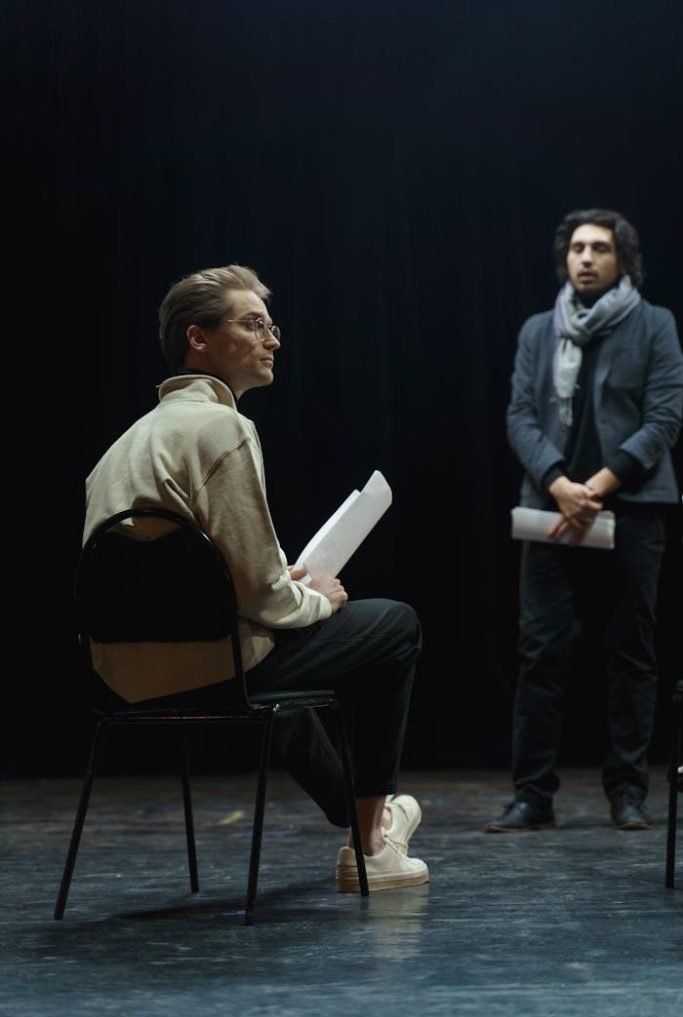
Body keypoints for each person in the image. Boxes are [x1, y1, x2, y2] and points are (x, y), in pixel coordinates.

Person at [83, 264, 429, 892]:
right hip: (210, 668)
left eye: (272, 327)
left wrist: (278, 590)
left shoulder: (121, 446)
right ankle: (373, 845)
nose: (272, 340)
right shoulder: (224, 428)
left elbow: (189, 579)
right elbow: (263, 598)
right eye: (253, 325)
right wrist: (314, 598)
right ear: (199, 338)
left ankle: (364, 822)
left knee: (277, 648)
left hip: (121, 677)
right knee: (393, 625)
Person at [485, 209, 683, 833]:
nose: (586, 258)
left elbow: (665, 417)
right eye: (577, 248)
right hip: (552, 510)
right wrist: (559, 484)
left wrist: (595, 486)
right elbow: (519, 416)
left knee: (631, 653)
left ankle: (628, 792)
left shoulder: (654, 324)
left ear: (623, 259)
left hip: (631, 508)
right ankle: (532, 796)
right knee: (540, 654)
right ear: (565, 258)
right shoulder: (539, 330)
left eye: (600, 247)